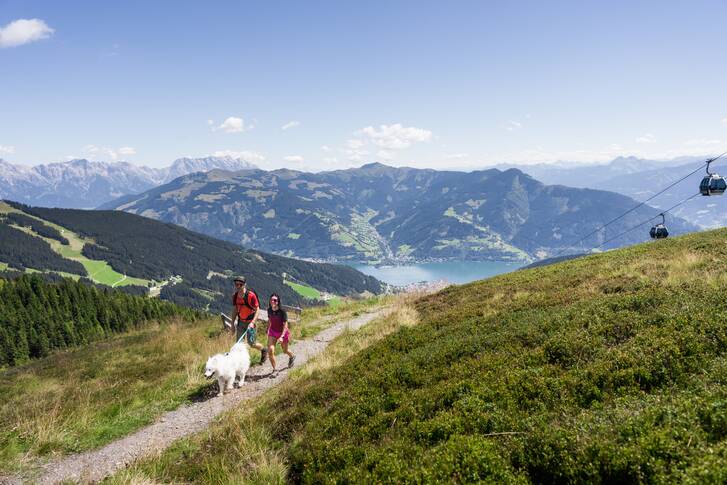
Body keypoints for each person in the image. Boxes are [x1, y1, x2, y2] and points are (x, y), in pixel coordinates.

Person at [229, 276, 267, 365]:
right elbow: (235, 310)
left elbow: (257, 309)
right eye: (236, 284)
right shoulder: (235, 296)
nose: (238, 286)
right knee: (238, 345)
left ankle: (264, 350)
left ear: (244, 284)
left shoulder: (251, 295)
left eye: (240, 284)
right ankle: (240, 364)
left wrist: (253, 322)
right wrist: (232, 324)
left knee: (252, 343)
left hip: (250, 323)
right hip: (241, 322)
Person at [266, 293, 295, 373]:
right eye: (271, 300)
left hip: (282, 332)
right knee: (270, 350)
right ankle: (275, 370)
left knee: (285, 351)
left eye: (275, 300)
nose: (273, 301)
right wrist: (267, 329)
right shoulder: (269, 310)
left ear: (278, 302)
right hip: (272, 332)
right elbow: (269, 320)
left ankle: (292, 356)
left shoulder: (282, 312)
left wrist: (282, 336)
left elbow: (285, 325)